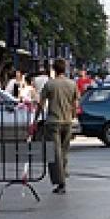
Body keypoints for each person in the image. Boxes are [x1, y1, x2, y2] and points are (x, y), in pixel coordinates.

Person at [31, 58, 79, 194]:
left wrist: (35, 120)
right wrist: (73, 116)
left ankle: (60, 182)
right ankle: (63, 175)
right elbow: (75, 104)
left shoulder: (50, 84)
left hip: (53, 122)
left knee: (54, 153)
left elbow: (41, 104)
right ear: (65, 69)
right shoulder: (72, 84)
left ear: (54, 69)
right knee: (63, 151)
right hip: (67, 122)